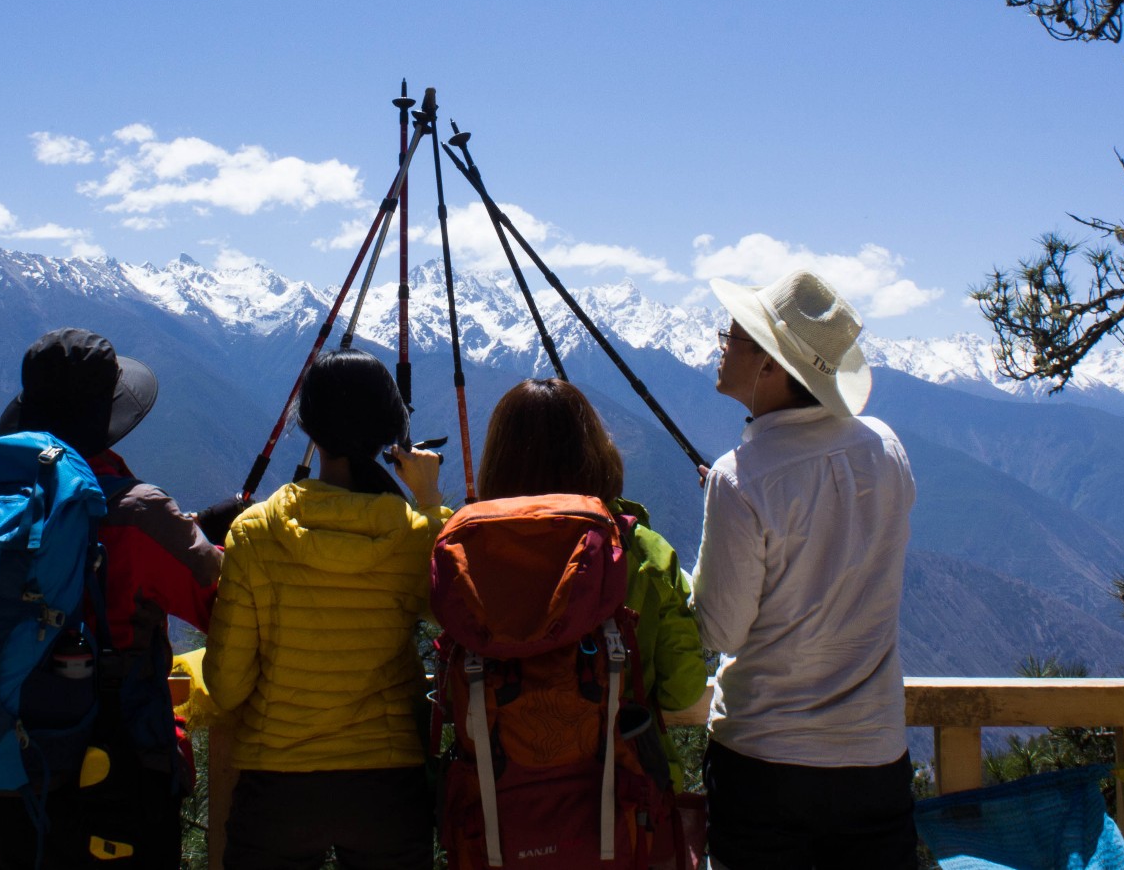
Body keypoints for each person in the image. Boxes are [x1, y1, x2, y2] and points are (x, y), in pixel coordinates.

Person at [691, 269, 919, 870]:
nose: (721, 343)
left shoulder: (739, 477)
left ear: (769, 364)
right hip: (875, 760)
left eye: (733, 335)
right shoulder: (886, 446)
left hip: (764, 767)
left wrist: (722, 518)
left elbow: (721, 631)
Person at [0, 328, 223, 870]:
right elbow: (219, 606)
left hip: (9, 776)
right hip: (117, 778)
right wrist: (213, 541)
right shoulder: (137, 514)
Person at [204, 348, 448, 870]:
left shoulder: (254, 533)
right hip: (388, 784)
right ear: (390, 433)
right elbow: (459, 611)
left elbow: (226, 685)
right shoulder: (411, 536)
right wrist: (430, 503)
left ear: (309, 429)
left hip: (277, 786)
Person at [473, 378, 707, 786]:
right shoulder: (643, 552)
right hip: (627, 794)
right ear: (595, 451)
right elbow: (683, 691)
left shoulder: (472, 556)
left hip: (505, 799)